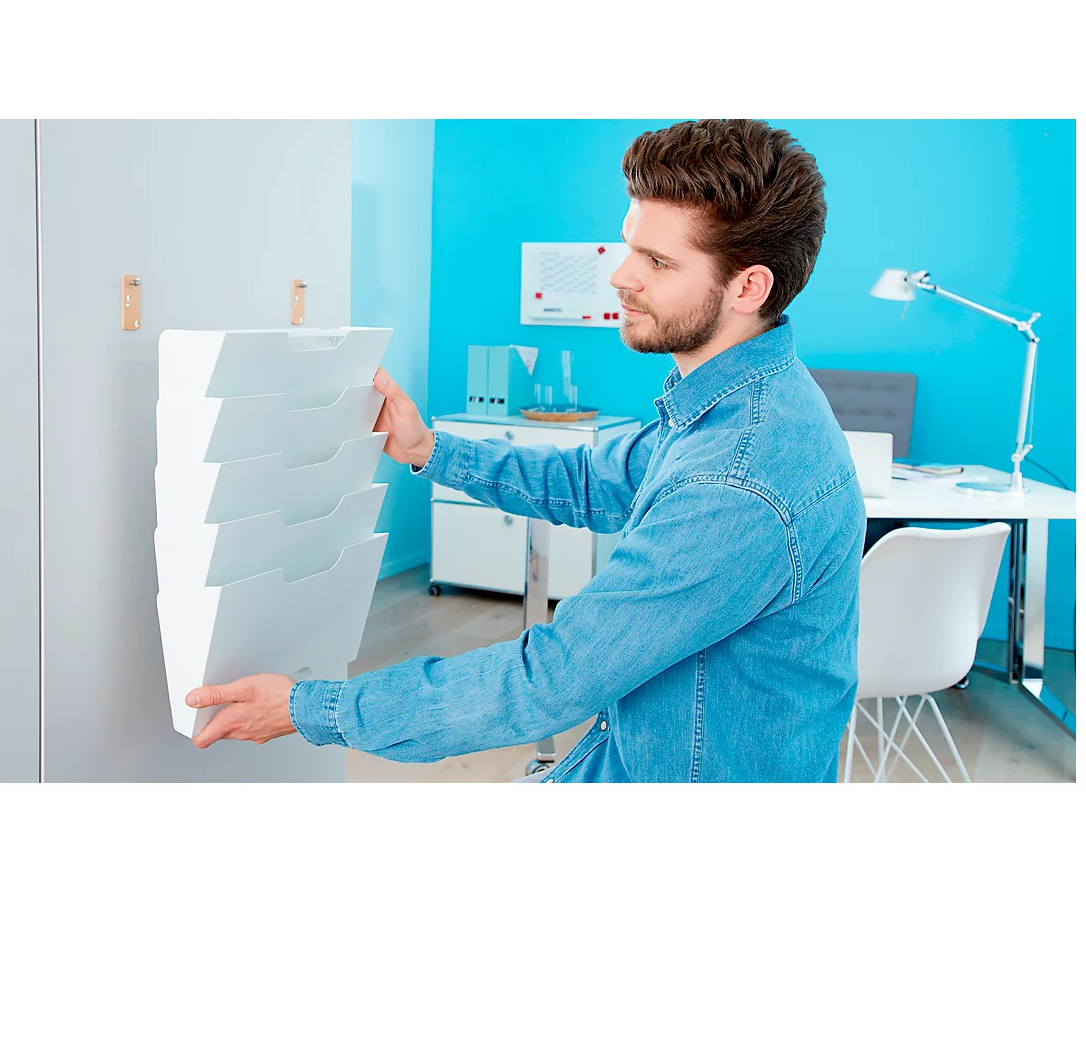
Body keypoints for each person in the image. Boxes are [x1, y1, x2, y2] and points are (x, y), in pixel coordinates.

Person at [186, 119, 866, 782]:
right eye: (628, 245)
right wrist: (429, 448)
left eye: (658, 262)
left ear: (749, 287)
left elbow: (550, 680)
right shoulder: (736, 406)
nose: (620, 277)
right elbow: (596, 480)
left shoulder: (737, 478)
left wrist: (309, 709)